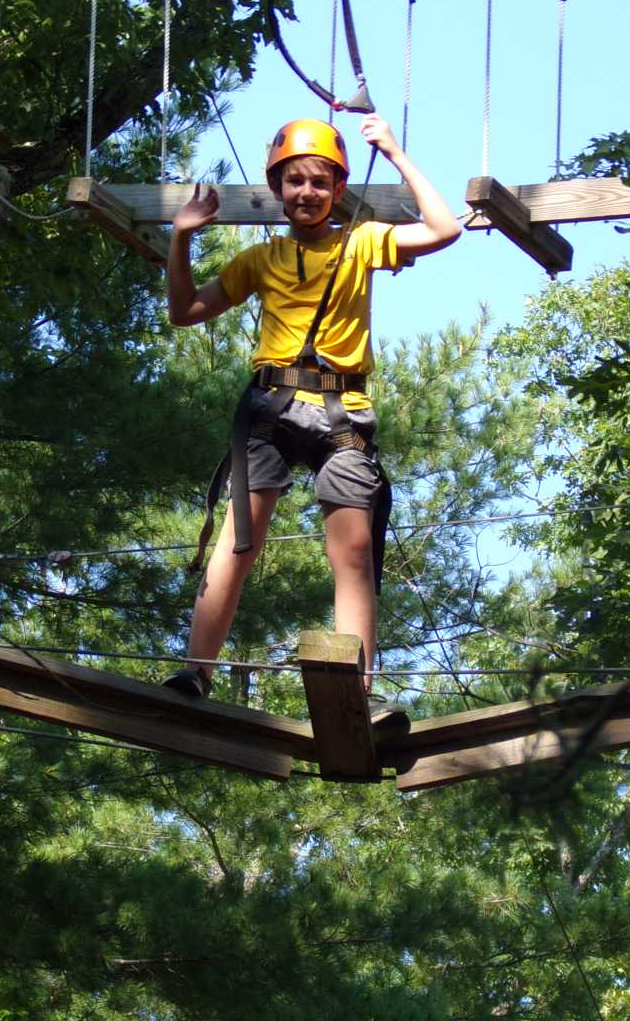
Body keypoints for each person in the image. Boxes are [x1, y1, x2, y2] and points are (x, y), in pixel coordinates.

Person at [162, 113, 460, 703]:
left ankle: (358, 691)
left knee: (353, 550)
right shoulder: (261, 259)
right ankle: (196, 671)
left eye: (321, 182)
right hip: (271, 409)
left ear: (338, 189)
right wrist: (181, 238)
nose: (307, 192)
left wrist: (394, 151)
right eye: (295, 181)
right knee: (239, 541)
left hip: (342, 412)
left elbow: (444, 228)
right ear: (278, 187)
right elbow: (185, 311)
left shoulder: (362, 243)